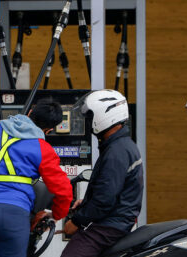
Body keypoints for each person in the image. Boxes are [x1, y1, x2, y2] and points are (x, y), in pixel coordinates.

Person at [0, 99, 73, 257]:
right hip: (12, 214)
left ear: (30, 112)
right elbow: (63, 190)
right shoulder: (42, 148)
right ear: (49, 130)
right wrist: (56, 214)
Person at [61, 89, 144, 257]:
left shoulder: (116, 151)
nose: (88, 121)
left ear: (105, 115)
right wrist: (86, 202)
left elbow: (104, 199)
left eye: (90, 116)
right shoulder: (120, 145)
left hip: (109, 225)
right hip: (116, 220)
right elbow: (111, 189)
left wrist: (76, 222)